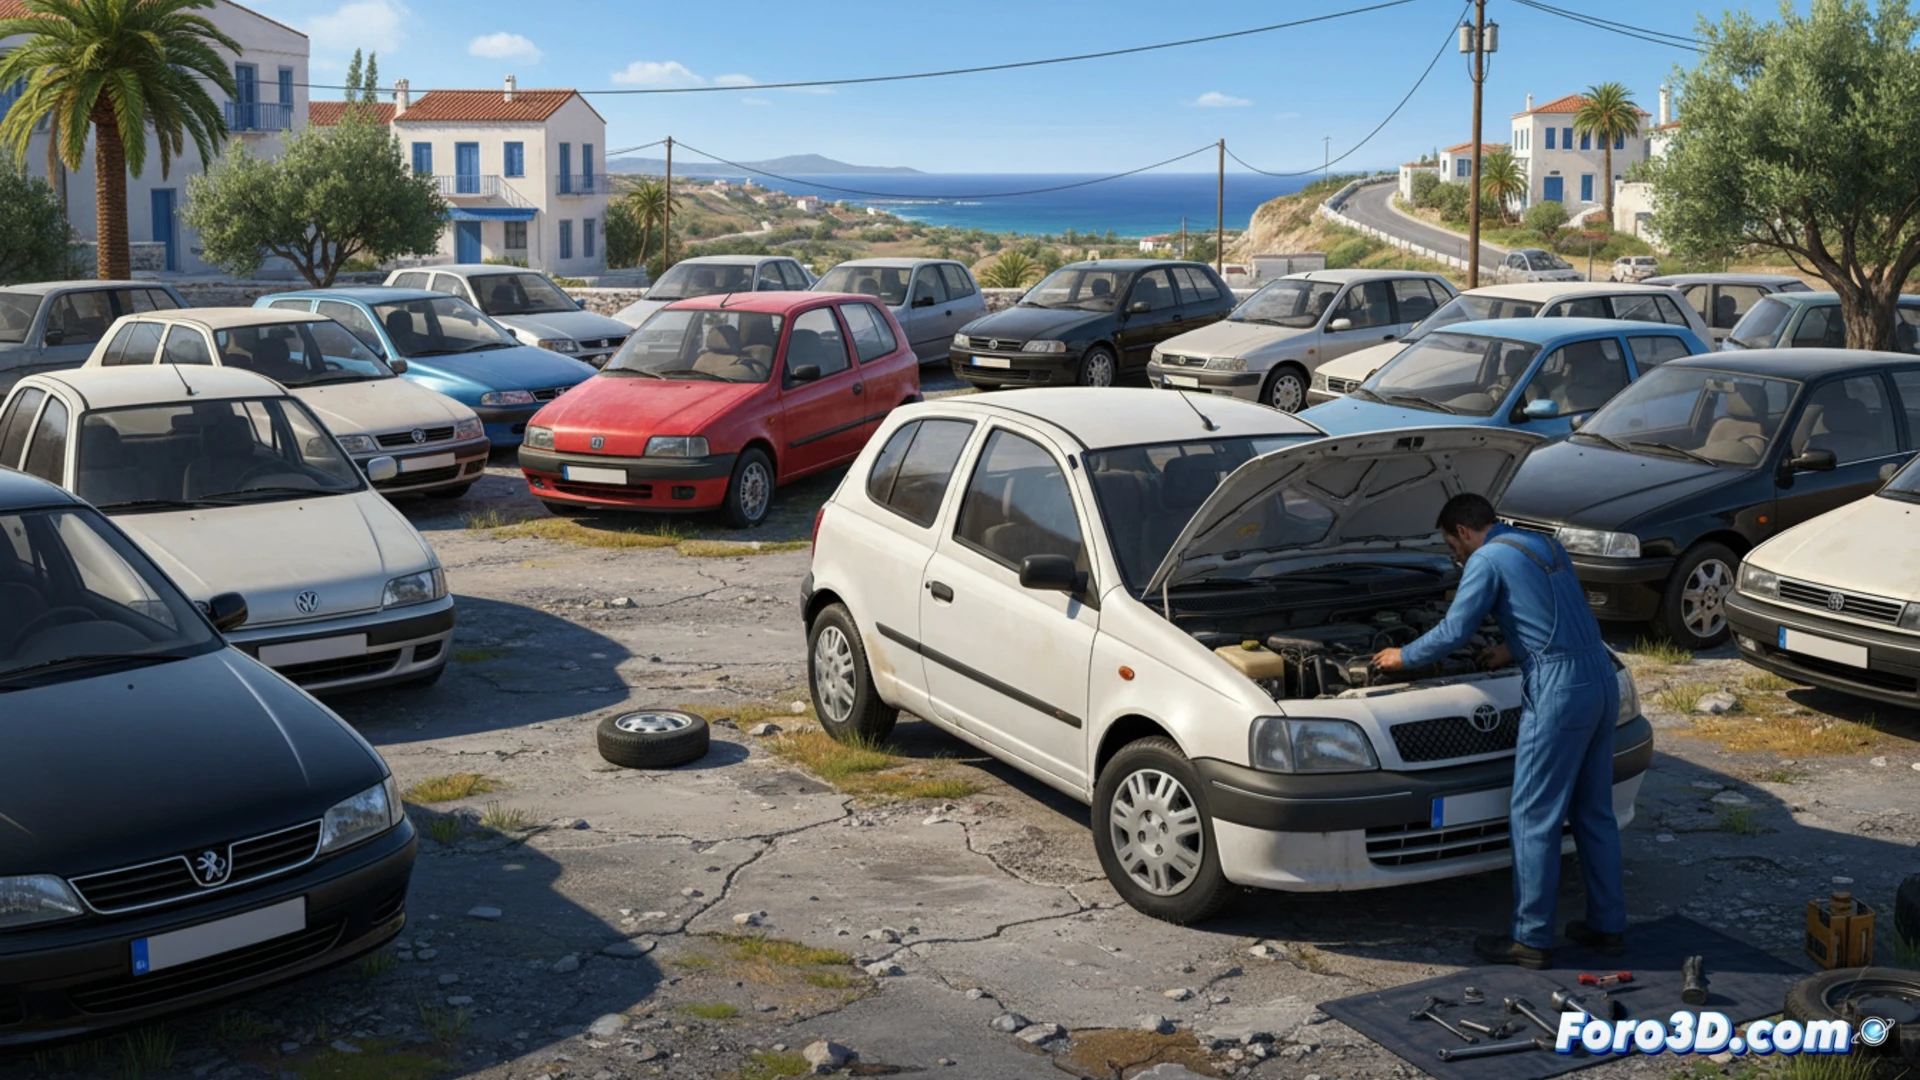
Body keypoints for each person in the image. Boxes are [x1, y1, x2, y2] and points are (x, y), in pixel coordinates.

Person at [1372, 492, 1626, 969]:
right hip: (1600, 675)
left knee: (1534, 816)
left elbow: (1453, 632)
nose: (1456, 555)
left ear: (1463, 532)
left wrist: (1401, 657)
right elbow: (1557, 613)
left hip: (1558, 689)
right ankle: (1608, 927)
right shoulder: (1543, 545)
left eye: (1453, 546)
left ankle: (1530, 939)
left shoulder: (1485, 559)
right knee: (1594, 812)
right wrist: (1511, 650)